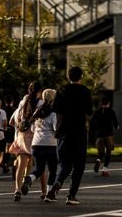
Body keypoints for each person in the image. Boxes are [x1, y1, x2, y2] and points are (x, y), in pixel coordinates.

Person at [46, 67, 93, 205]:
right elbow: (89, 111)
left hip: (64, 131)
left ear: (68, 77)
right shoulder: (85, 91)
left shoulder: (62, 90)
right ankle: (71, 195)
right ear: (81, 76)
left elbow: (55, 109)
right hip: (79, 131)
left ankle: (56, 185)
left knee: (65, 165)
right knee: (79, 165)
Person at [21, 89, 58, 201]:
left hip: (36, 144)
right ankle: (48, 194)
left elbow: (32, 128)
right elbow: (56, 129)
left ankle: (30, 178)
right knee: (53, 169)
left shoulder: (36, 112)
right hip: (50, 144)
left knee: (39, 169)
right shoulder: (53, 113)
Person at [11, 82, 42, 203]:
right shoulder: (40, 103)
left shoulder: (22, 102)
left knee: (21, 163)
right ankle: (26, 180)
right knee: (32, 161)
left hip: (21, 135)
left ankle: (17, 190)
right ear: (40, 91)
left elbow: (14, 120)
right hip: (34, 136)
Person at [91, 96, 119, 177]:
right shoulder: (111, 111)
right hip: (108, 135)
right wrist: (117, 126)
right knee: (108, 152)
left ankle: (98, 160)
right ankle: (104, 170)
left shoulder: (97, 112)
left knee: (101, 152)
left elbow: (92, 122)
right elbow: (115, 122)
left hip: (99, 135)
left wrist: (95, 130)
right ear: (108, 104)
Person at [1, 96, 16, 175]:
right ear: (12, 102)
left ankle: (2, 162)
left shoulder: (2, 110)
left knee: (2, 147)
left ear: (5, 102)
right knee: (9, 147)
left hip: (2, 130)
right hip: (11, 130)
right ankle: (6, 162)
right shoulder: (14, 110)